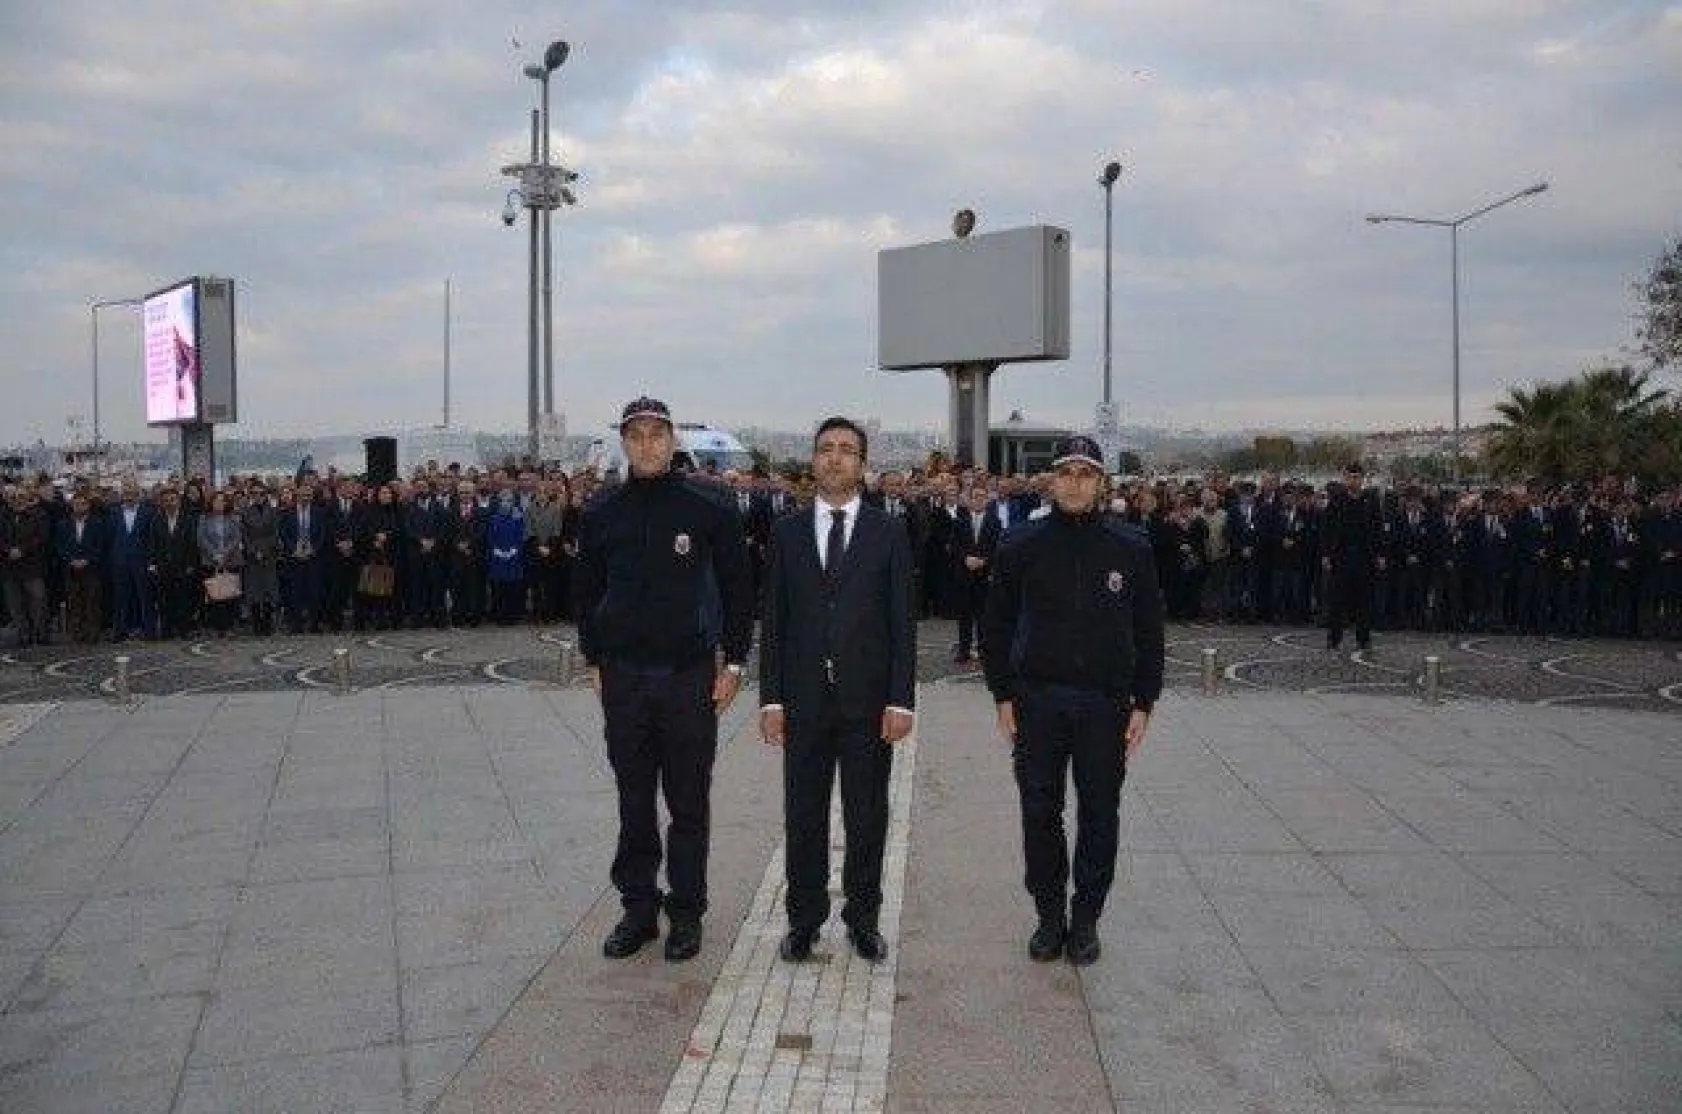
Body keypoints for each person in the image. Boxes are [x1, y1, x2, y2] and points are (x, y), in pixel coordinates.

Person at [574, 396, 754, 963]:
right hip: (624, 677)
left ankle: (687, 912)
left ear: (673, 439)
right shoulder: (603, 509)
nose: (647, 445)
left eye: (657, 434)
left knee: (688, 800)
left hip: (688, 677)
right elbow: (586, 590)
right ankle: (637, 909)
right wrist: (593, 658)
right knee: (633, 798)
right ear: (622, 442)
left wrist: (735, 663)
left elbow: (736, 586)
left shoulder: (710, 504)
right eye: (636, 435)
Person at [981, 435, 1164, 966]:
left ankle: (1086, 918)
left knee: (1100, 813)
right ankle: (1048, 914)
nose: (1076, 483)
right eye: (1066, 473)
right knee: (1040, 811)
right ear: (1052, 480)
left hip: (1105, 703)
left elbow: (1149, 630)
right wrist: (1003, 694)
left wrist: (1143, 702)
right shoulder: (1021, 544)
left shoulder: (1130, 547)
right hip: (1038, 700)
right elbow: (996, 626)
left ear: (1101, 483)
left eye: (1087, 474)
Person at [759, 417, 916, 964]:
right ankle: (804, 921)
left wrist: (901, 699)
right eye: (826, 449)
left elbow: (902, 620)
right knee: (803, 814)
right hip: (802, 701)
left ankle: (863, 919)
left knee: (867, 815)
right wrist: (772, 700)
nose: (835, 458)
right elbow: (774, 620)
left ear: (862, 463)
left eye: (847, 450)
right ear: (813, 460)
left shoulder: (888, 531)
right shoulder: (787, 532)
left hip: (868, 703)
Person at [1322, 462, 1382, 651]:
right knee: (1337, 600)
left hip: (1364, 558)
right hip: (1341, 556)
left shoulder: (1370, 501)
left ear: (1362, 479)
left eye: (1357, 477)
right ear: (1344, 478)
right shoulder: (1336, 500)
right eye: (1349, 477)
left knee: (1364, 600)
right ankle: (1334, 638)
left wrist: (1380, 554)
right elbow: (1327, 530)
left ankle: (1363, 637)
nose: (1353, 481)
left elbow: (1377, 529)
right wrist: (1326, 554)